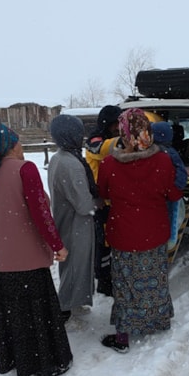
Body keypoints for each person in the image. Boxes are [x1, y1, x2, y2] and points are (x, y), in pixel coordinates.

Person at [0, 119, 74, 376]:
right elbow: (40, 212)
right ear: (9, 145)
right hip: (27, 259)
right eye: (18, 142)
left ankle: (19, 361)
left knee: (15, 317)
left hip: (1, 259)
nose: (22, 147)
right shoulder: (24, 169)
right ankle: (48, 364)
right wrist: (57, 245)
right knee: (39, 316)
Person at [97, 108, 183, 353]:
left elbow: (103, 193)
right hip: (154, 233)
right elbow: (173, 192)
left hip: (123, 234)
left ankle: (123, 337)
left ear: (122, 131)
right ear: (147, 129)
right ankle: (159, 320)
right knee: (155, 282)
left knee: (125, 286)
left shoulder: (109, 164)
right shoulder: (163, 160)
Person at [47, 114, 97, 322]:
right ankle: (65, 306)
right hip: (76, 223)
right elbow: (84, 204)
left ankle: (72, 301)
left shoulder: (59, 157)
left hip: (65, 219)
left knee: (71, 265)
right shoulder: (71, 163)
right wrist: (98, 202)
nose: (82, 136)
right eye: (79, 132)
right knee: (76, 264)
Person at [84, 105, 122, 297]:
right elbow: (103, 149)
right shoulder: (95, 139)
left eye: (120, 123)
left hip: (113, 200)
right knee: (104, 244)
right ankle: (104, 281)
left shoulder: (110, 138)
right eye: (116, 123)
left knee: (113, 241)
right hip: (100, 201)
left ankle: (110, 276)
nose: (118, 127)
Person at [151, 121, 188, 250]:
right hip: (169, 193)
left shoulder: (150, 152)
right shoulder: (172, 153)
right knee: (172, 217)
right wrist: (177, 188)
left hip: (159, 193)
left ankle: (164, 240)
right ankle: (169, 241)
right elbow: (181, 172)